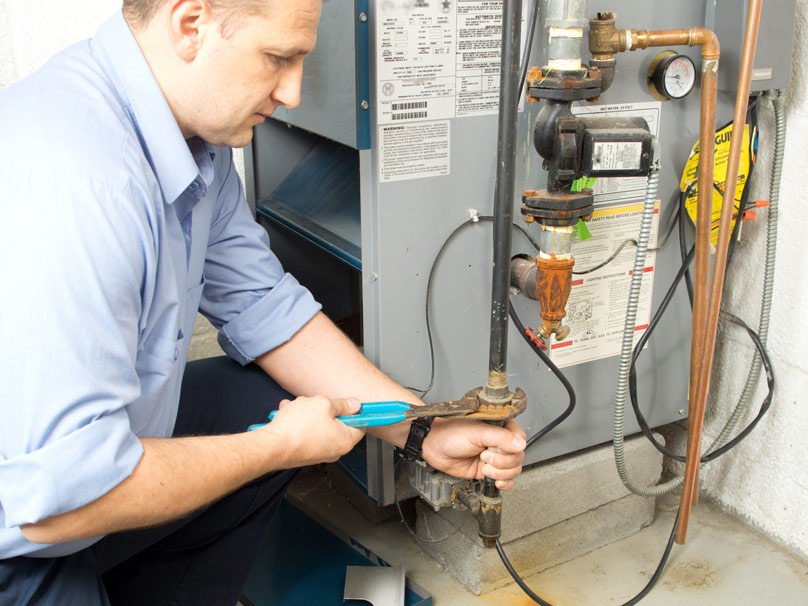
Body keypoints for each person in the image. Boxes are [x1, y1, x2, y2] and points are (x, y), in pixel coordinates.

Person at [0, 0, 526, 603]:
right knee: (268, 432)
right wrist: (275, 447)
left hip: (75, 479)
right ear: (190, 24)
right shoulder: (81, 185)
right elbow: (57, 504)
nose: (294, 93)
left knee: (257, 395)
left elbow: (265, 306)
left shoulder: (193, 139)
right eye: (278, 58)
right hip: (25, 537)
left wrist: (419, 429)